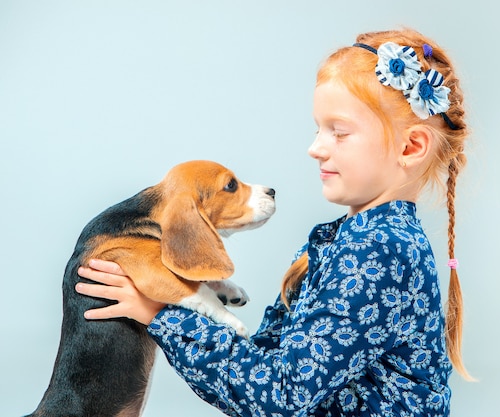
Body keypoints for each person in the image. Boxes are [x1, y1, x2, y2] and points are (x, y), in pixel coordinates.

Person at [75, 28, 472, 416]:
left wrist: (162, 315)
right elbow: (268, 359)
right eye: (318, 129)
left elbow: (281, 396)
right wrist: (170, 292)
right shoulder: (346, 239)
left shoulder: (380, 251)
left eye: (339, 132)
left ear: (411, 146)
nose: (315, 148)